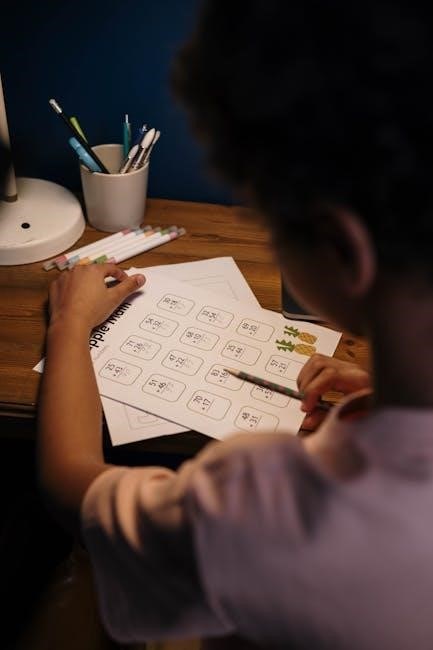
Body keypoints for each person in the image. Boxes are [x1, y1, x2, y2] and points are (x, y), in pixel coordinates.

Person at [36, 0, 433, 648]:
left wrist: (70, 325)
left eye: (265, 218)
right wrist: (378, 390)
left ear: (339, 248)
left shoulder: (263, 504)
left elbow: (69, 488)